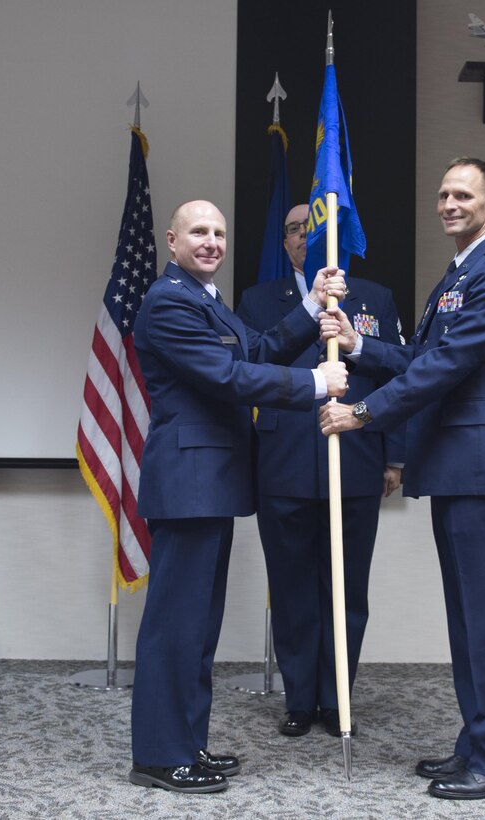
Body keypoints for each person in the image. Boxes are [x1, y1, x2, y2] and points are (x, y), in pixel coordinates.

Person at [318, 157, 485, 801]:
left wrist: (363, 412)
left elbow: (448, 366)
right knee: (468, 619)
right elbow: (419, 356)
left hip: (484, 469)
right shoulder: (455, 278)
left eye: (463, 194)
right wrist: (358, 347)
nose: (449, 203)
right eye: (443, 193)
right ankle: (478, 742)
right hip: (455, 467)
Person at [129, 200, 348, 794]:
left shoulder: (205, 299)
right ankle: (157, 755)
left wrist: (310, 304)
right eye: (199, 232)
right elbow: (226, 377)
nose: (212, 242)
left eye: (220, 232)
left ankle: (185, 743)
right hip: (188, 483)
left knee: (198, 627)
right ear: (172, 240)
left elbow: (254, 351)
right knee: (176, 625)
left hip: (211, 482)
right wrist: (313, 383)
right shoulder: (168, 300)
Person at [236, 203, 406, 738]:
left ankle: (338, 701)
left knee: (348, 589)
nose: (305, 237)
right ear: (285, 242)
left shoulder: (375, 298)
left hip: (356, 458)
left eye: (315, 228)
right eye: (294, 230)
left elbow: (398, 376)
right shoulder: (259, 300)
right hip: (283, 461)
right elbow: (250, 371)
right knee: (291, 589)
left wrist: (395, 454)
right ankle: (300, 697)